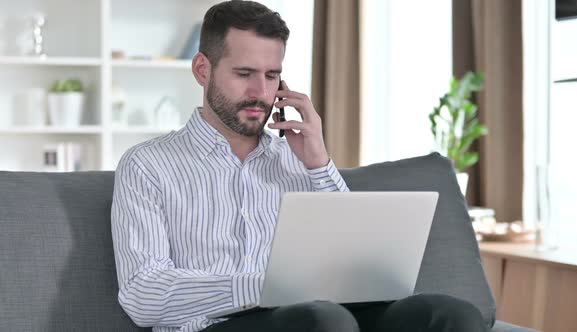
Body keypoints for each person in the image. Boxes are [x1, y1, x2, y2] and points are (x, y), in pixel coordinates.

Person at [111, 1, 489, 332]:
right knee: (322, 321)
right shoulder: (148, 165)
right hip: (221, 324)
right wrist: (261, 287)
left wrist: (319, 163)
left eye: (272, 75)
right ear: (202, 70)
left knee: (448, 315)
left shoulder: (298, 160)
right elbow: (143, 295)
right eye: (244, 74)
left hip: (327, 315)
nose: (261, 92)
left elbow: (359, 265)